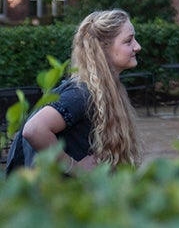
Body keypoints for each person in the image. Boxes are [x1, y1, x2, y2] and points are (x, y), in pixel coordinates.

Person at [8, 9, 143, 174]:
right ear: (103, 48)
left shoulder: (103, 89)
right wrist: (75, 168)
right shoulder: (81, 94)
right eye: (128, 41)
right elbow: (35, 129)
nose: (137, 47)